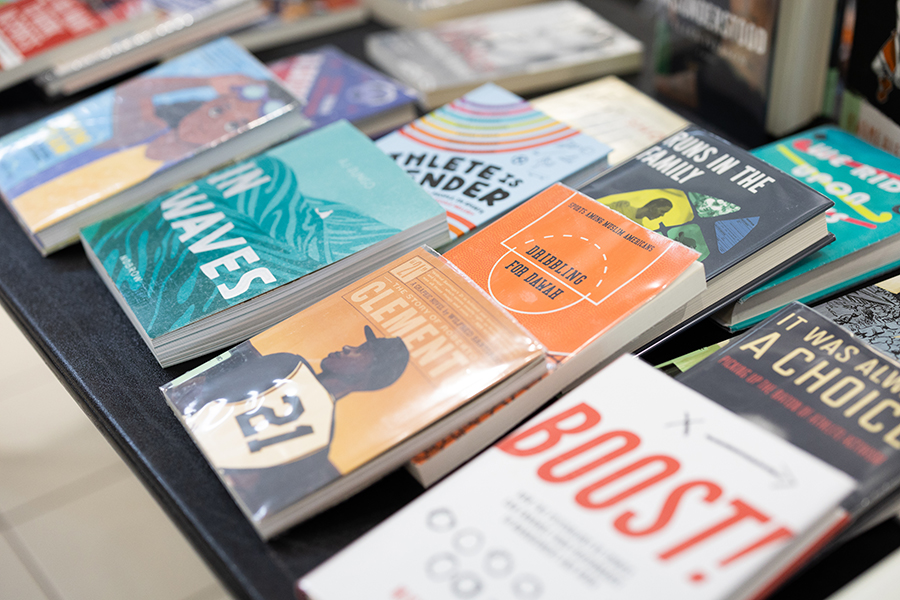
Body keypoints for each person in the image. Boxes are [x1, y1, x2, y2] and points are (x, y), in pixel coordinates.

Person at [170, 325, 410, 516]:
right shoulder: (290, 367)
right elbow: (199, 390)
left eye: (361, 350)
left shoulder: (318, 442)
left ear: (370, 376)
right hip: (181, 436)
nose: (347, 346)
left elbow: (257, 491)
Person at [11, 73, 293, 232]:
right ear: (201, 104)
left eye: (234, 125)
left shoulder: (196, 177)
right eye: (218, 109)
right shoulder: (142, 130)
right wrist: (206, 83)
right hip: (18, 204)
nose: (210, 122)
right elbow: (132, 90)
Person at [607, 197, 674, 225]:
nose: (662, 215)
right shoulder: (622, 206)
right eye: (662, 211)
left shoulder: (639, 227)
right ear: (653, 207)